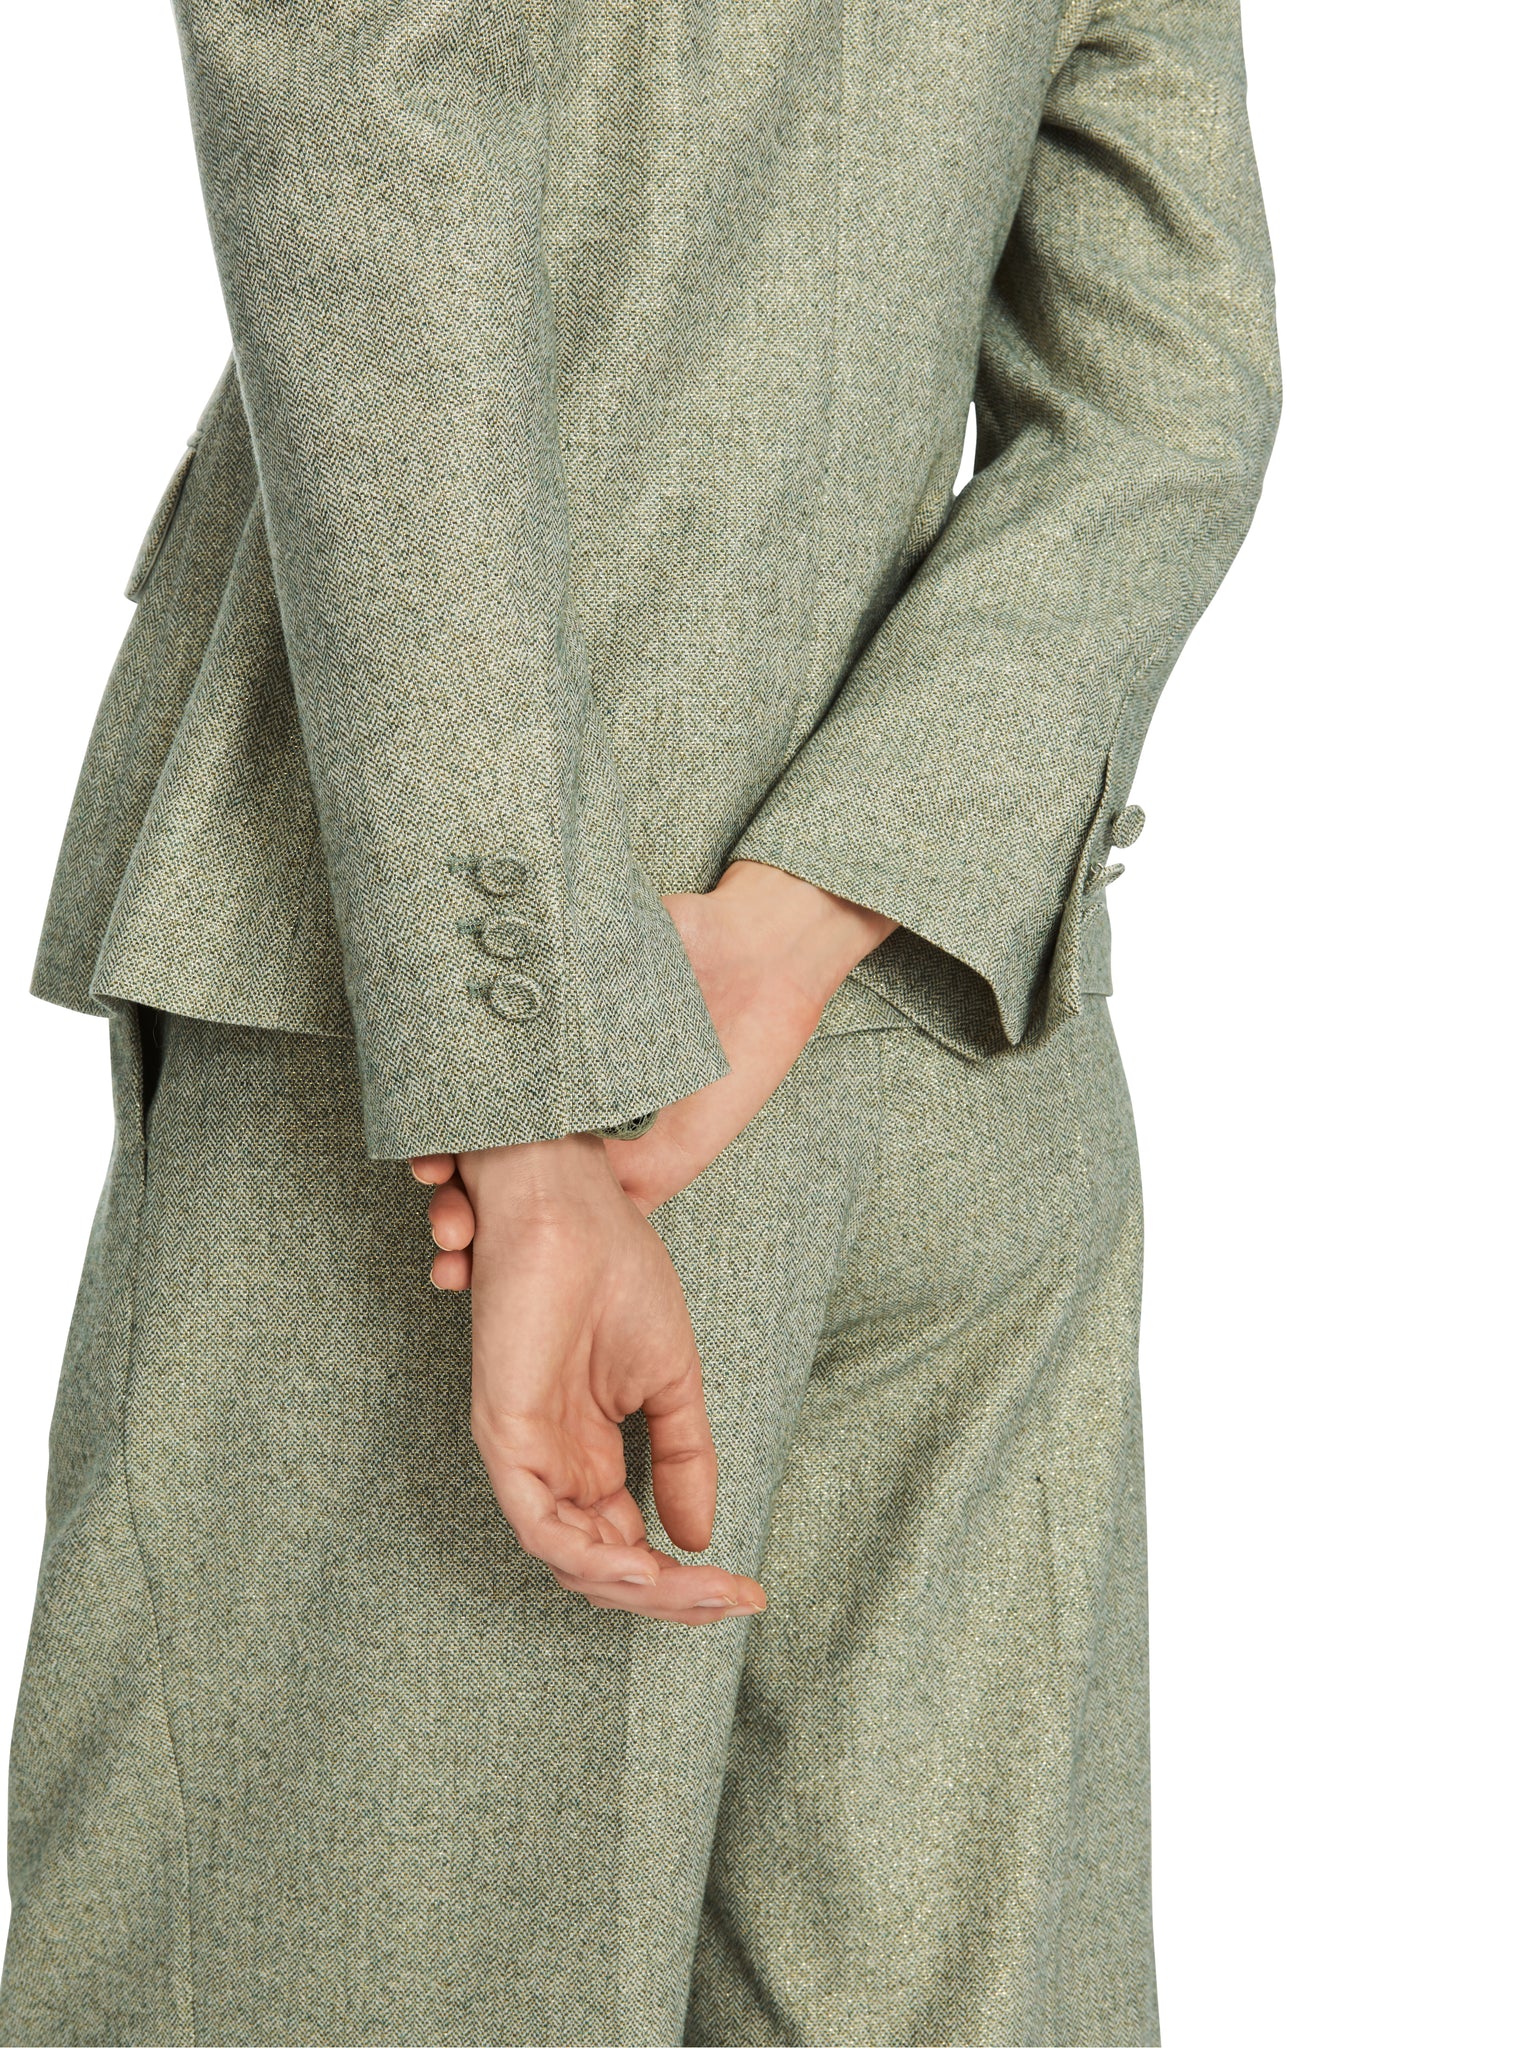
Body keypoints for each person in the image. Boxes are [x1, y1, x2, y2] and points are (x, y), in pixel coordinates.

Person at [0, 0, 1279, 2041]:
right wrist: (808, 911)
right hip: (945, 1034)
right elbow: (1171, 394)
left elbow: (373, 206)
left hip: (417, 1048)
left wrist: (528, 1089)